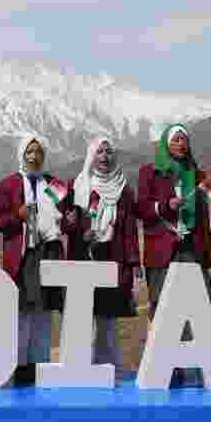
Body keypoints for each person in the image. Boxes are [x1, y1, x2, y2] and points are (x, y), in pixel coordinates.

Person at [137, 123, 211, 388]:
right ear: (166, 144)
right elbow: (141, 208)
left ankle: (197, 367)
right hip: (162, 250)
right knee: (162, 308)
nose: (181, 144)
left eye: (184, 140)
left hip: (190, 249)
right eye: (175, 140)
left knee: (197, 306)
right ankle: (165, 369)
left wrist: (206, 254)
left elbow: (206, 219)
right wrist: (165, 206)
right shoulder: (150, 172)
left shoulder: (196, 175)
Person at [0, 135, 76, 386]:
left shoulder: (53, 184)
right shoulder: (9, 184)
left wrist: (69, 222)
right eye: (29, 151)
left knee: (43, 313)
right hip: (22, 255)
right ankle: (19, 367)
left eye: (38, 152)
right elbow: (1, 223)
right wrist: (18, 215)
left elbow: (66, 217)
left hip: (48, 251)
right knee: (22, 314)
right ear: (21, 154)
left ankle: (39, 366)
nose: (34, 156)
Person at [68, 136, 140, 372]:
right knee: (83, 319)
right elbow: (68, 223)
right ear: (91, 155)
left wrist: (133, 261)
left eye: (108, 152)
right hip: (85, 257)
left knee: (108, 319)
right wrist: (80, 232)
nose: (105, 157)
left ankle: (108, 369)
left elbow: (129, 229)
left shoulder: (124, 189)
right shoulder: (79, 185)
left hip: (113, 258)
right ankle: (80, 370)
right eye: (99, 152)